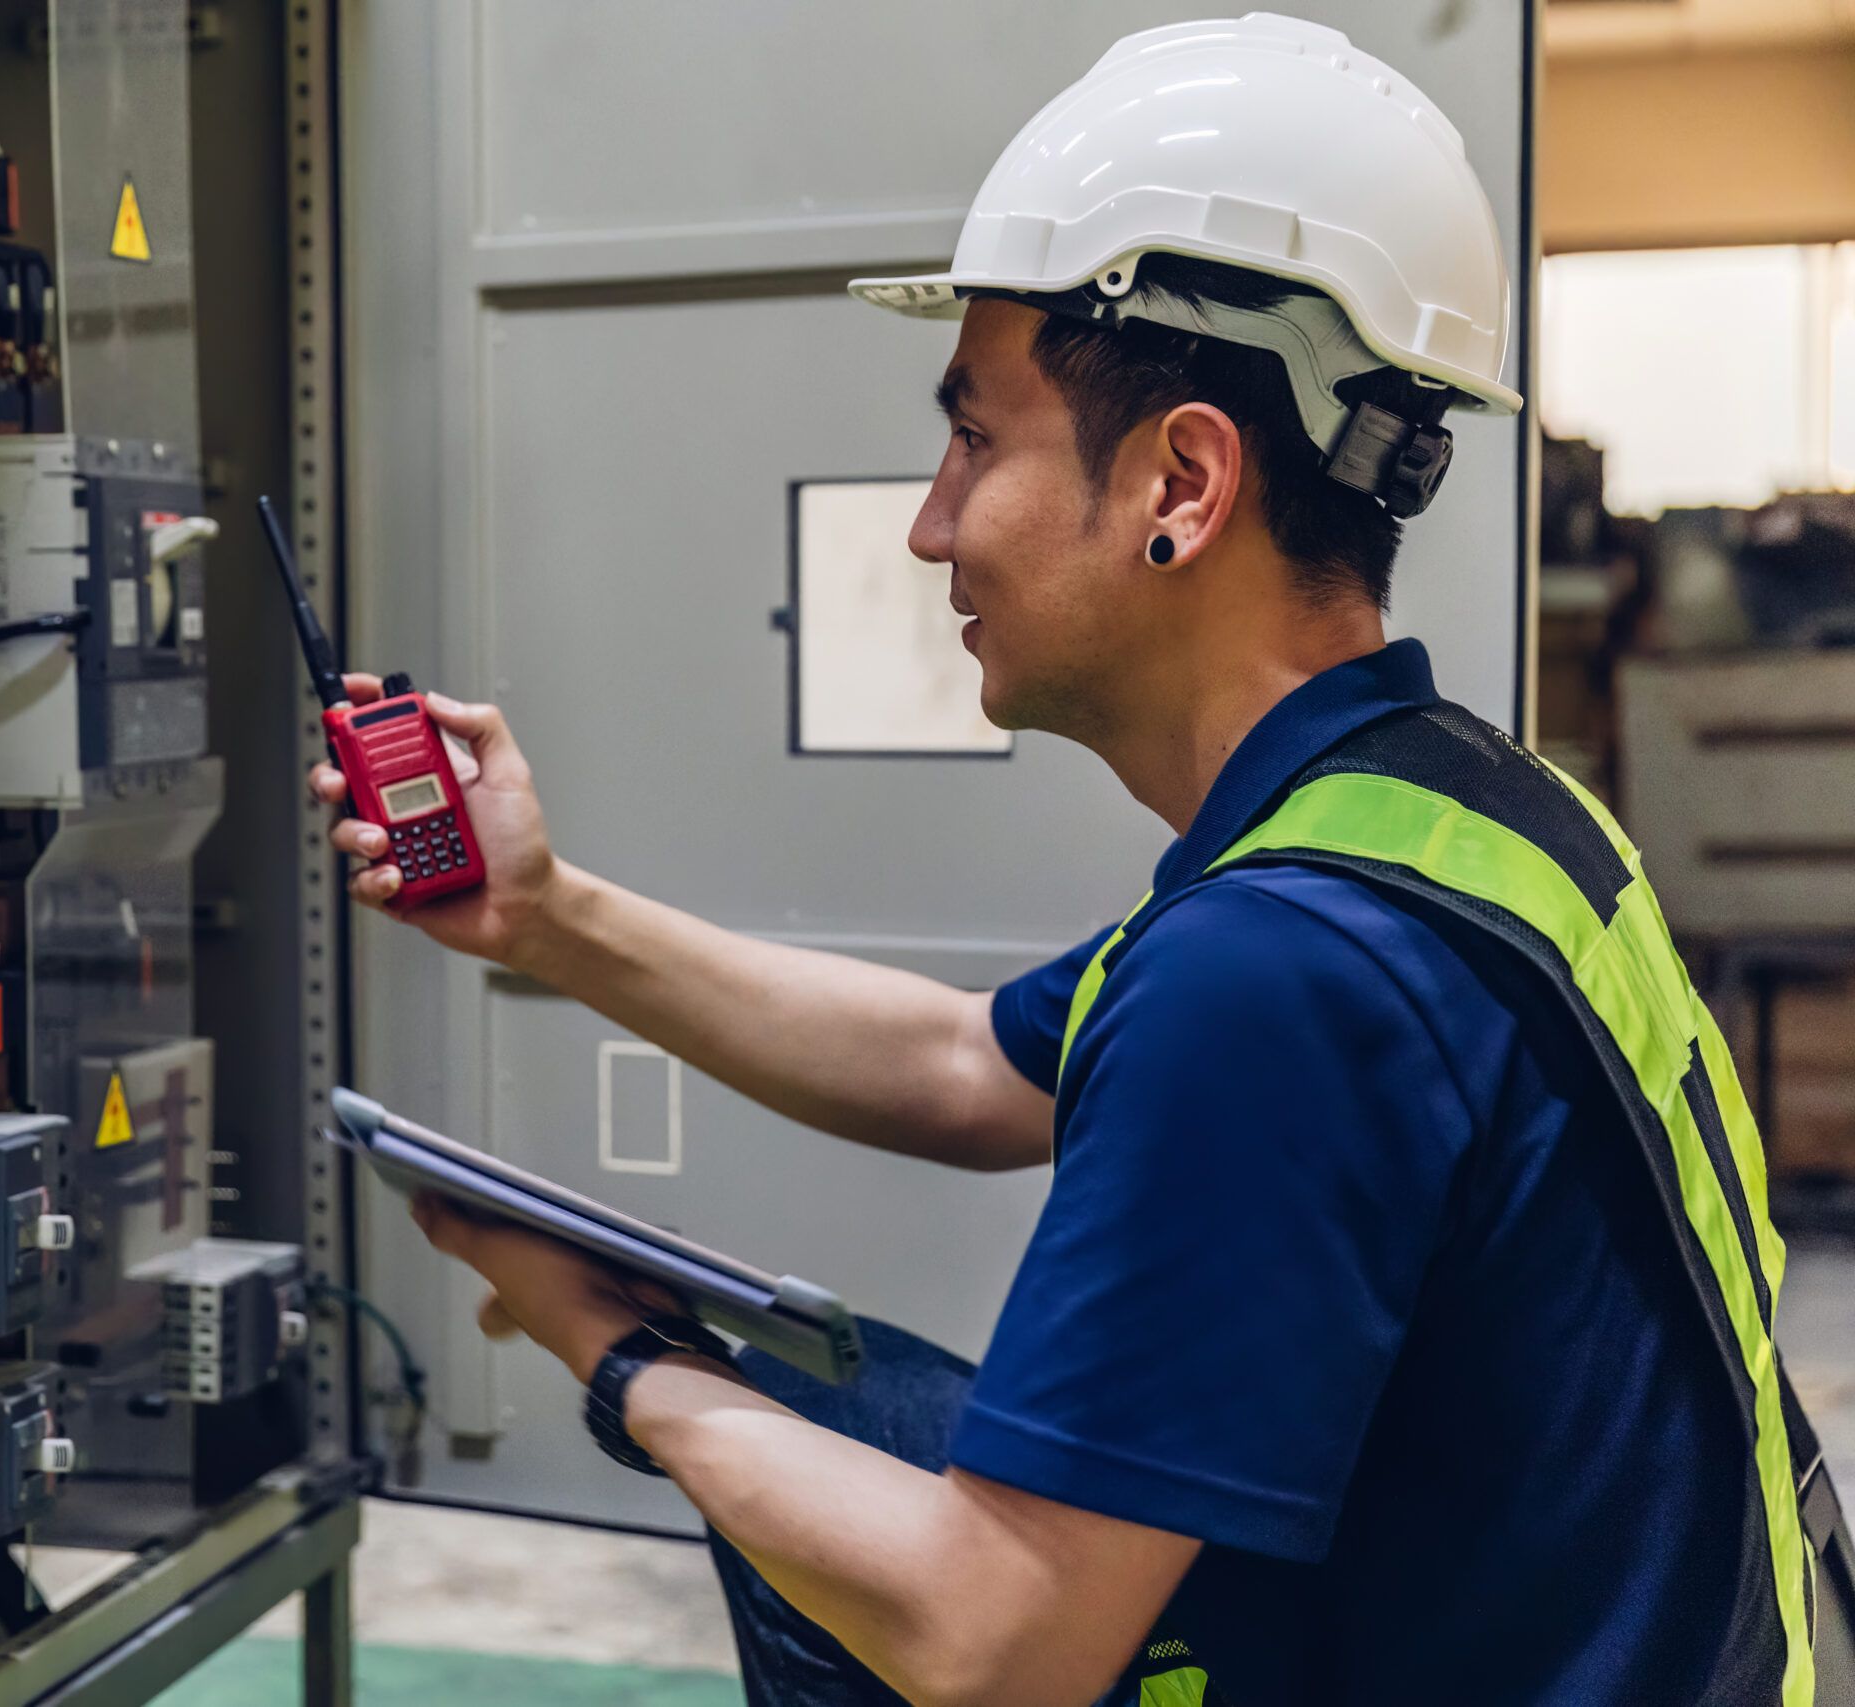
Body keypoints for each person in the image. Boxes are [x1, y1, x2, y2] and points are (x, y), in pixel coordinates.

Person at [310, 15, 1827, 1705]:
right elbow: (971, 1070)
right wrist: (548, 914)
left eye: (976, 439)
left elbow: (998, 1639)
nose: (930, 520)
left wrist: (618, 1352)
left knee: (856, 1516)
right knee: (856, 1415)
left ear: (1182, 479)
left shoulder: (1288, 970)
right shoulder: (1458, 810)